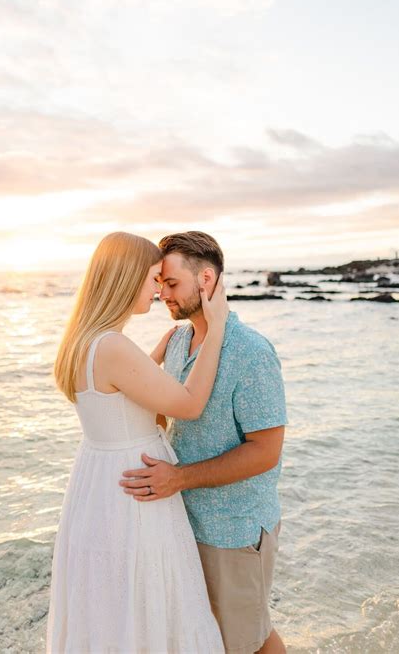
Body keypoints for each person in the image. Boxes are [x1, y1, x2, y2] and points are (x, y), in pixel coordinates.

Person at [46, 231, 227, 653]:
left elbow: (115, 401)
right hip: (136, 490)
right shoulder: (112, 345)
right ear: (126, 279)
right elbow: (189, 404)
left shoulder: (83, 342)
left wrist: (153, 358)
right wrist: (215, 330)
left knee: (112, 606)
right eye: (152, 278)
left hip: (99, 484)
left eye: (164, 281)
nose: (158, 289)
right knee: (149, 601)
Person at [120, 231, 287, 654]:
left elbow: (266, 451)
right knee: (204, 639)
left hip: (232, 529)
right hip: (182, 522)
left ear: (207, 280)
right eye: (159, 284)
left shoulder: (250, 352)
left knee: (249, 640)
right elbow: (164, 418)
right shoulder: (177, 342)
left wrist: (179, 478)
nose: (163, 296)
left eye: (172, 284)